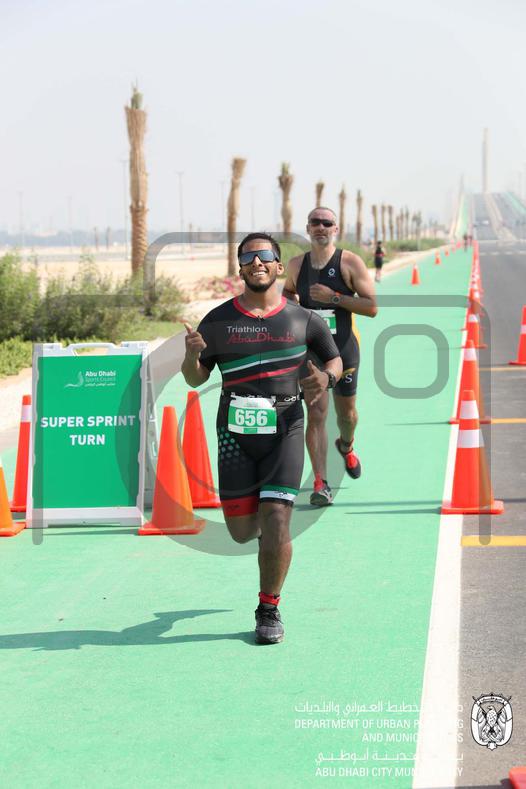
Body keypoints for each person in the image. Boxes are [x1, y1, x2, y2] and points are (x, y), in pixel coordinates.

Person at [181, 232, 342, 645]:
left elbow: (335, 359)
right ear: (240, 269)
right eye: (248, 257)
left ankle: (268, 608)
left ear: (278, 265)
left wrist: (325, 379)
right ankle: (269, 542)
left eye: (265, 255)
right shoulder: (216, 321)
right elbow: (196, 377)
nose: (257, 262)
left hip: (285, 427)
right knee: (240, 531)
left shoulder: (303, 320)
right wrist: (191, 355)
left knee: (277, 518)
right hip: (234, 435)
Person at [283, 207, 377, 507]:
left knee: (347, 416)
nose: (321, 227)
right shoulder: (296, 265)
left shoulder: (350, 262)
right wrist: (293, 310)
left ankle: (346, 446)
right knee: (316, 415)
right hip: (313, 356)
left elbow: (372, 307)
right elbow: (286, 295)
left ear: (336, 229)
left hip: (344, 351)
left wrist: (334, 298)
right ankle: (320, 482)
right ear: (308, 228)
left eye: (327, 223)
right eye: (315, 222)